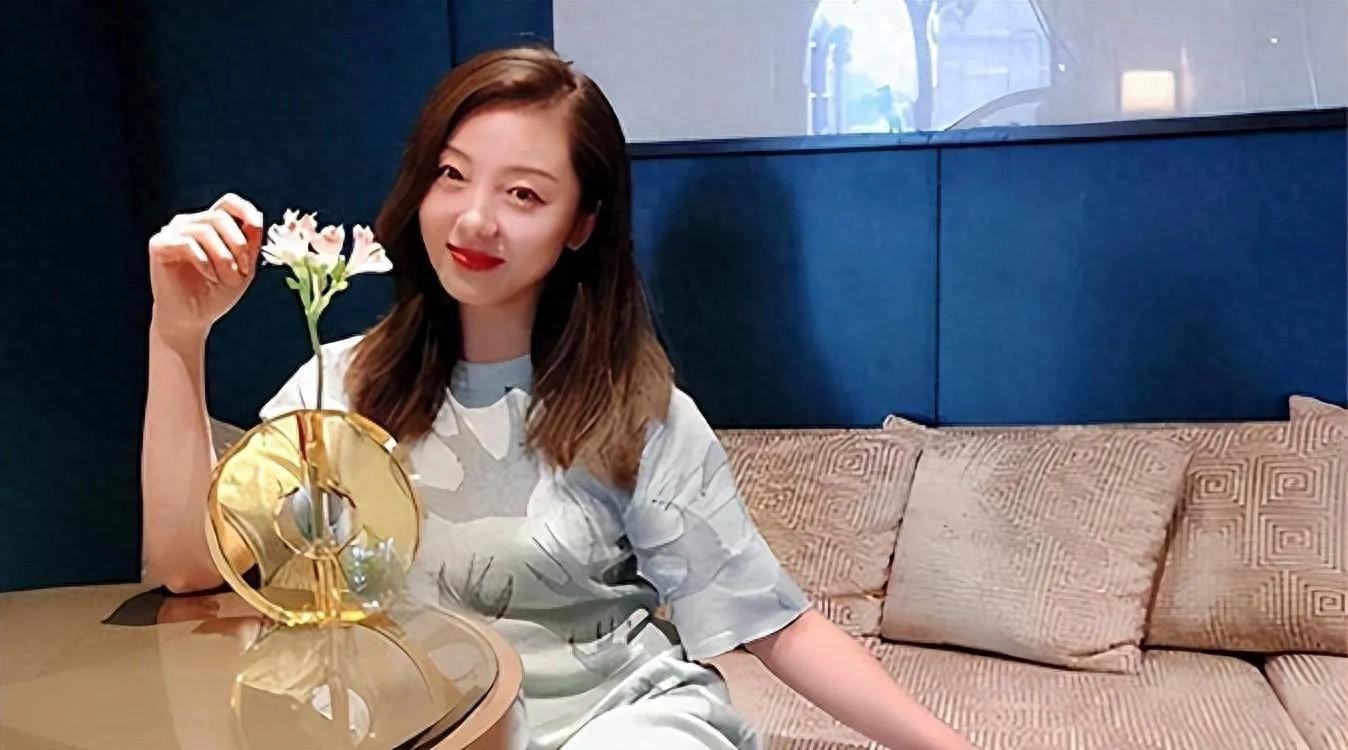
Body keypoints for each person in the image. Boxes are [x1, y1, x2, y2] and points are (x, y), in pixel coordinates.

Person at [141, 45, 974, 750]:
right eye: (452, 175)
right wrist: (179, 335)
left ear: (581, 223)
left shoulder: (634, 411)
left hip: (620, 724)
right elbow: (189, 566)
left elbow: (774, 623)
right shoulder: (341, 386)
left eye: (524, 194)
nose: (474, 220)